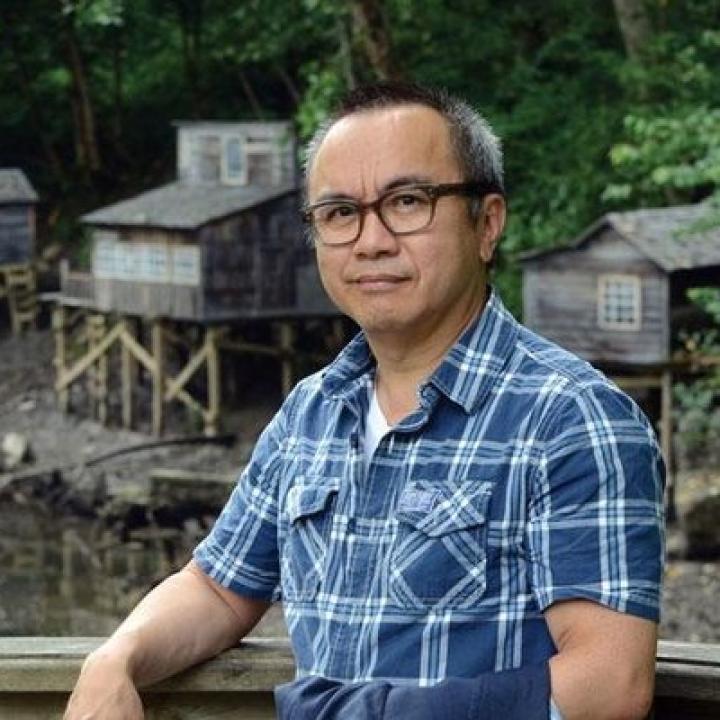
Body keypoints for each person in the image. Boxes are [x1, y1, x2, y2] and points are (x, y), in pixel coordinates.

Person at [64, 82, 665, 720]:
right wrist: (116, 659)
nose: (371, 240)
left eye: (408, 201)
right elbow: (216, 588)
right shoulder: (311, 413)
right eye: (339, 212)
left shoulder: (571, 418)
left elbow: (610, 683)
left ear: (486, 223)